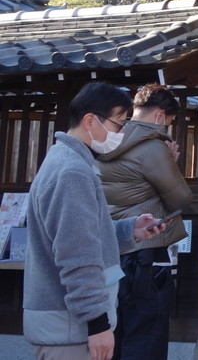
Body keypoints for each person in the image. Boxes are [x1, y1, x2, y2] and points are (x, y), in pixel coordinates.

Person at [23, 82, 172, 360]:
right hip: (72, 329)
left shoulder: (66, 162)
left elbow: (83, 237)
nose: (122, 133)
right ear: (90, 120)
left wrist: (130, 230)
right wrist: (98, 324)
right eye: (118, 124)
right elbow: (77, 256)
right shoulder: (72, 172)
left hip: (66, 325)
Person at [96, 84, 192, 360]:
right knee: (146, 337)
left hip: (113, 249)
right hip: (148, 252)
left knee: (116, 332)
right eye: (170, 123)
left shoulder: (107, 139)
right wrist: (171, 163)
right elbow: (182, 199)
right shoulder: (152, 147)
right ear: (160, 116)